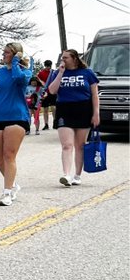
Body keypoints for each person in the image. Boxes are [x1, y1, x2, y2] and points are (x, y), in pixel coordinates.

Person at [0, 42, 34, 206]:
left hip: (16, 117)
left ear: (16, 54)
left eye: (7, 53)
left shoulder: (25, 72)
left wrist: (16, 63)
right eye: (3, 52)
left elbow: (19, 80)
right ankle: (12, 185)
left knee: (9, 155)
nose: (3, 55)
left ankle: (6, 193)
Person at [47, 49, 101, 186]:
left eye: (66, 57)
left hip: (83, 109)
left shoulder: (87, 73)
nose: (62, 60)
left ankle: (77, 175)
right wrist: (60, 73)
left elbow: (95, 94)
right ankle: (66, 175)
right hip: (64, 109)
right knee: (67, 145)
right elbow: (52, 91)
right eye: (62, 58)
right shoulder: (57, 72)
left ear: (74, 59)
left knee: (80, 145)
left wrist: (96, 113)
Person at [38, 59, 56, 130]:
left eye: (49, 66)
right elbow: (38, 80)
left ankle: (55, 122)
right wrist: (41, 82)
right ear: (45, 65)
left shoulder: (53, 72)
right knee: (45, 109)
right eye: (47, 66)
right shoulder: (41, 73)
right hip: (45, 92)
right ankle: (46, 124)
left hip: (52, 91)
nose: (48, 67)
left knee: (54, 108)